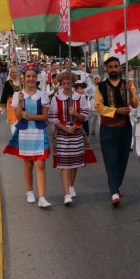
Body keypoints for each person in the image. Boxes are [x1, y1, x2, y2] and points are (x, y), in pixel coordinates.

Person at [2, 64, 52, 208]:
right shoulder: (18, 95)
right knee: (28, 164)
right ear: (23, 78)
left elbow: (45, 117)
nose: (30, 79)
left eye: (33, 76)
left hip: (38, 131)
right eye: (28, 76)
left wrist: (30, 115)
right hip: (25, 132)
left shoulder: (42, 95)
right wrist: (21, 102)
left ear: (36, 77)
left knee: (41, 164)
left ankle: (42, 197)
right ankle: (30, 192)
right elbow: (18, 117)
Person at [94, 57, 139, 205]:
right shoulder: (100, 87)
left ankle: (116, 184)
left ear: (120, 68)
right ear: (106, 69)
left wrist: (131, 93)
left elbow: (135, 104)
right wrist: (116, 110)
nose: (113, 69)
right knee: (111, 160)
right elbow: (98, 107)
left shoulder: (128, 84)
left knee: (122, 160)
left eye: (116, 66)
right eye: (110, 67)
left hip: (125, 128)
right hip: (108, 129)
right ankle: (114, 192)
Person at [49, 72, 89, 205]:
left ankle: (71, 186)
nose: (66, 86)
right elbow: (53, 118)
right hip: (62, 134)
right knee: (64, 164)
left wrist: (76, 114)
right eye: (64, 83)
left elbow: (85, 116)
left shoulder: (79, 97)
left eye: (68, 83)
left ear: (73, 84)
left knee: (74, 162)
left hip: (76, 133)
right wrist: (65, 128)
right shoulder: (56, 98)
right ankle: (66, 194)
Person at [0, 67, 22, 134]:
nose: (15, 73)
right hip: (11, 103)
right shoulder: (7, 83)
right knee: (13, 121)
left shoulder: (22, 82)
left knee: (21, 118)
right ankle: (14, 135)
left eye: (16, 72)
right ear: (10, 74)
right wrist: (2, 106)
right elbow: (4, 94)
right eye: (13, 72)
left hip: (21, 102)